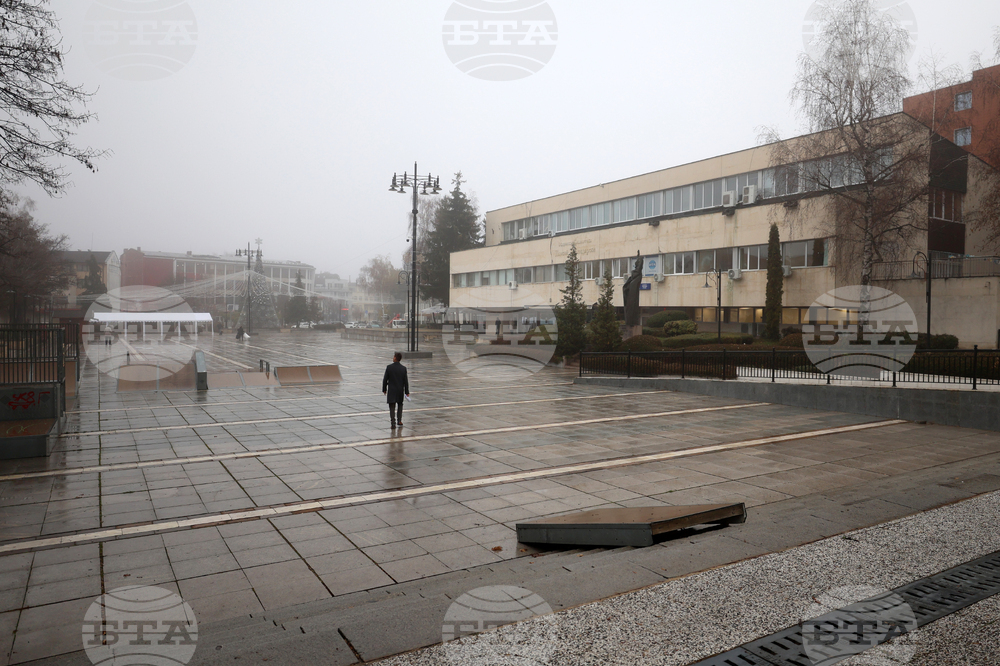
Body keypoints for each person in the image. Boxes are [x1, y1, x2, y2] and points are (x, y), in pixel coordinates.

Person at [382, 351, 409, 429]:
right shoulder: (403, 368)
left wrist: (384, 389)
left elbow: (385, 379)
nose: (393, 358)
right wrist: (407, 392)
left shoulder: (389, 367)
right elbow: (405, 381)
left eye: (394, 357)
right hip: (400, 390)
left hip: (392, 390)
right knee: (400, 405)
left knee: (392, 406)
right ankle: (399, 420)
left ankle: (393, 423)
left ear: (395, 358)